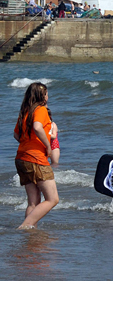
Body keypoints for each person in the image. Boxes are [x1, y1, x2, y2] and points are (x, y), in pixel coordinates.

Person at [14, 82, 59, 229]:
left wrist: (29, 142)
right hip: (36, 159)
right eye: (46, 93)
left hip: (22, 158)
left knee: (33, 202)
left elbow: (16, 134)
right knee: (53, 199)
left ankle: (30, 232)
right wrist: (47, 146)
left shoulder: (25, 111)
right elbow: (37, 127)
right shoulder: (41, 109)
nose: (48, 96)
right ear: (42, 96)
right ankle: (25, 226)